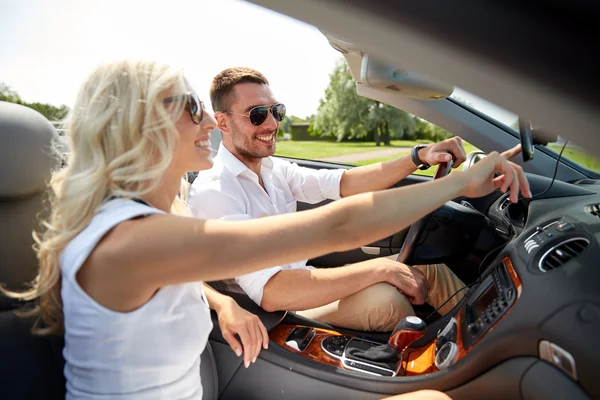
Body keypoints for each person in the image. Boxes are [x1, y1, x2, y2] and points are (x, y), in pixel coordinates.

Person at [4, 59, 529, 399]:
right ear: (139, 125)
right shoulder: (131, 240)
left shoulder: (152, 223)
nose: (208, 122)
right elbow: (337, 225)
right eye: (192, 109)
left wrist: (218, 300)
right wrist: (459, 183)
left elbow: (343, 186)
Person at [187, 67, 502, 332]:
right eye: (257, 115)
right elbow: (272, 292)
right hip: (275, 314)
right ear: (223, 123)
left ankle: (486, 338)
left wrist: (418, 156)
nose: (272, 124)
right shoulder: (216, 190)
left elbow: (345, 182)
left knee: (433, 272)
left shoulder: (273, 169)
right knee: (388, 302)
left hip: (302, 286)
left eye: (276, 111)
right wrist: (379, 270)